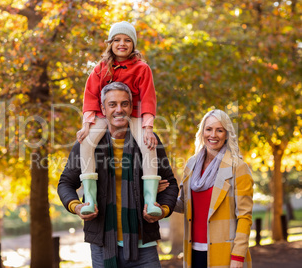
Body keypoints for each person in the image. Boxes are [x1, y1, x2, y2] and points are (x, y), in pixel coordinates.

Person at [58, 82, 179, 268]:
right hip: (102, 242)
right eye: (112, 104)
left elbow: (170, 183)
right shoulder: (87, 145)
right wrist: (77, 207)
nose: (119, 110)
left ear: (131, 107)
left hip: (144, 243)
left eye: (124, 104)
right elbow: (66, 183)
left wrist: (162, 210)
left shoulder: (148, 141)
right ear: (103, 108)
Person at [76, 21, 162, 217]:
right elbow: (90, 95)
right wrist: (86, 126)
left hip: (134, 113)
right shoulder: (100, 68)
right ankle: (90, 199)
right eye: (117, 40)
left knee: (149, 145)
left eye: (127, 40)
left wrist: (148, 128)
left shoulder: (142, 68)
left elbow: (148, 98)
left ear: (133, 44)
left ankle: (151, 200)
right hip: (103, 114)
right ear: (110, 43)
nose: (122, 44)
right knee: (86, 142)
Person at [174, 109, 254, 268]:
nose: (213, 135)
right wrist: (160, 195)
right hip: (193, 252)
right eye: (209, 129)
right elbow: (184, 205)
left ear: (226, 134)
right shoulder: (191, 165)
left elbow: (245, 217)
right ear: (202, 131)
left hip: (226, 254)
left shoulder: (237, 167)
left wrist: (238, 257)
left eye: (219, 130)